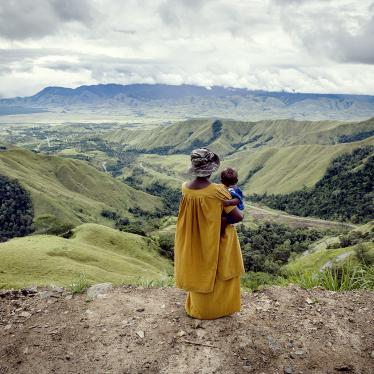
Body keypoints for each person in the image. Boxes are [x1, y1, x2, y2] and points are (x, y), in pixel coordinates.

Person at [174, 148, 245, 320]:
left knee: (199, 269)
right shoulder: (218, 191)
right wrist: (221, 221)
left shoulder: (185, 188)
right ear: (212, 169)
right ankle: (218, 310)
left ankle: (199, 309)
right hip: (217, 238)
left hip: (195, 239)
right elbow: (237, 217)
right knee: (219, 272)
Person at [220, 167, 245, 235]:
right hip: (231, 211)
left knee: (223, 220)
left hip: (235, 211)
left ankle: (220, 234)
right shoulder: (224, 189)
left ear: (221, 181)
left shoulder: (233, 189)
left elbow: (238, 200)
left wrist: (229, 202)